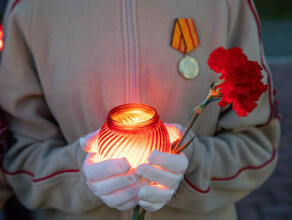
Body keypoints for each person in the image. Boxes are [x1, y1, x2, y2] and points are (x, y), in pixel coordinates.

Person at [0, 0, 280, 219]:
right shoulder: (31, 9)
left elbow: (257, 142)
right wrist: (78, 175)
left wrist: (192, 166)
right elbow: (16, 155)